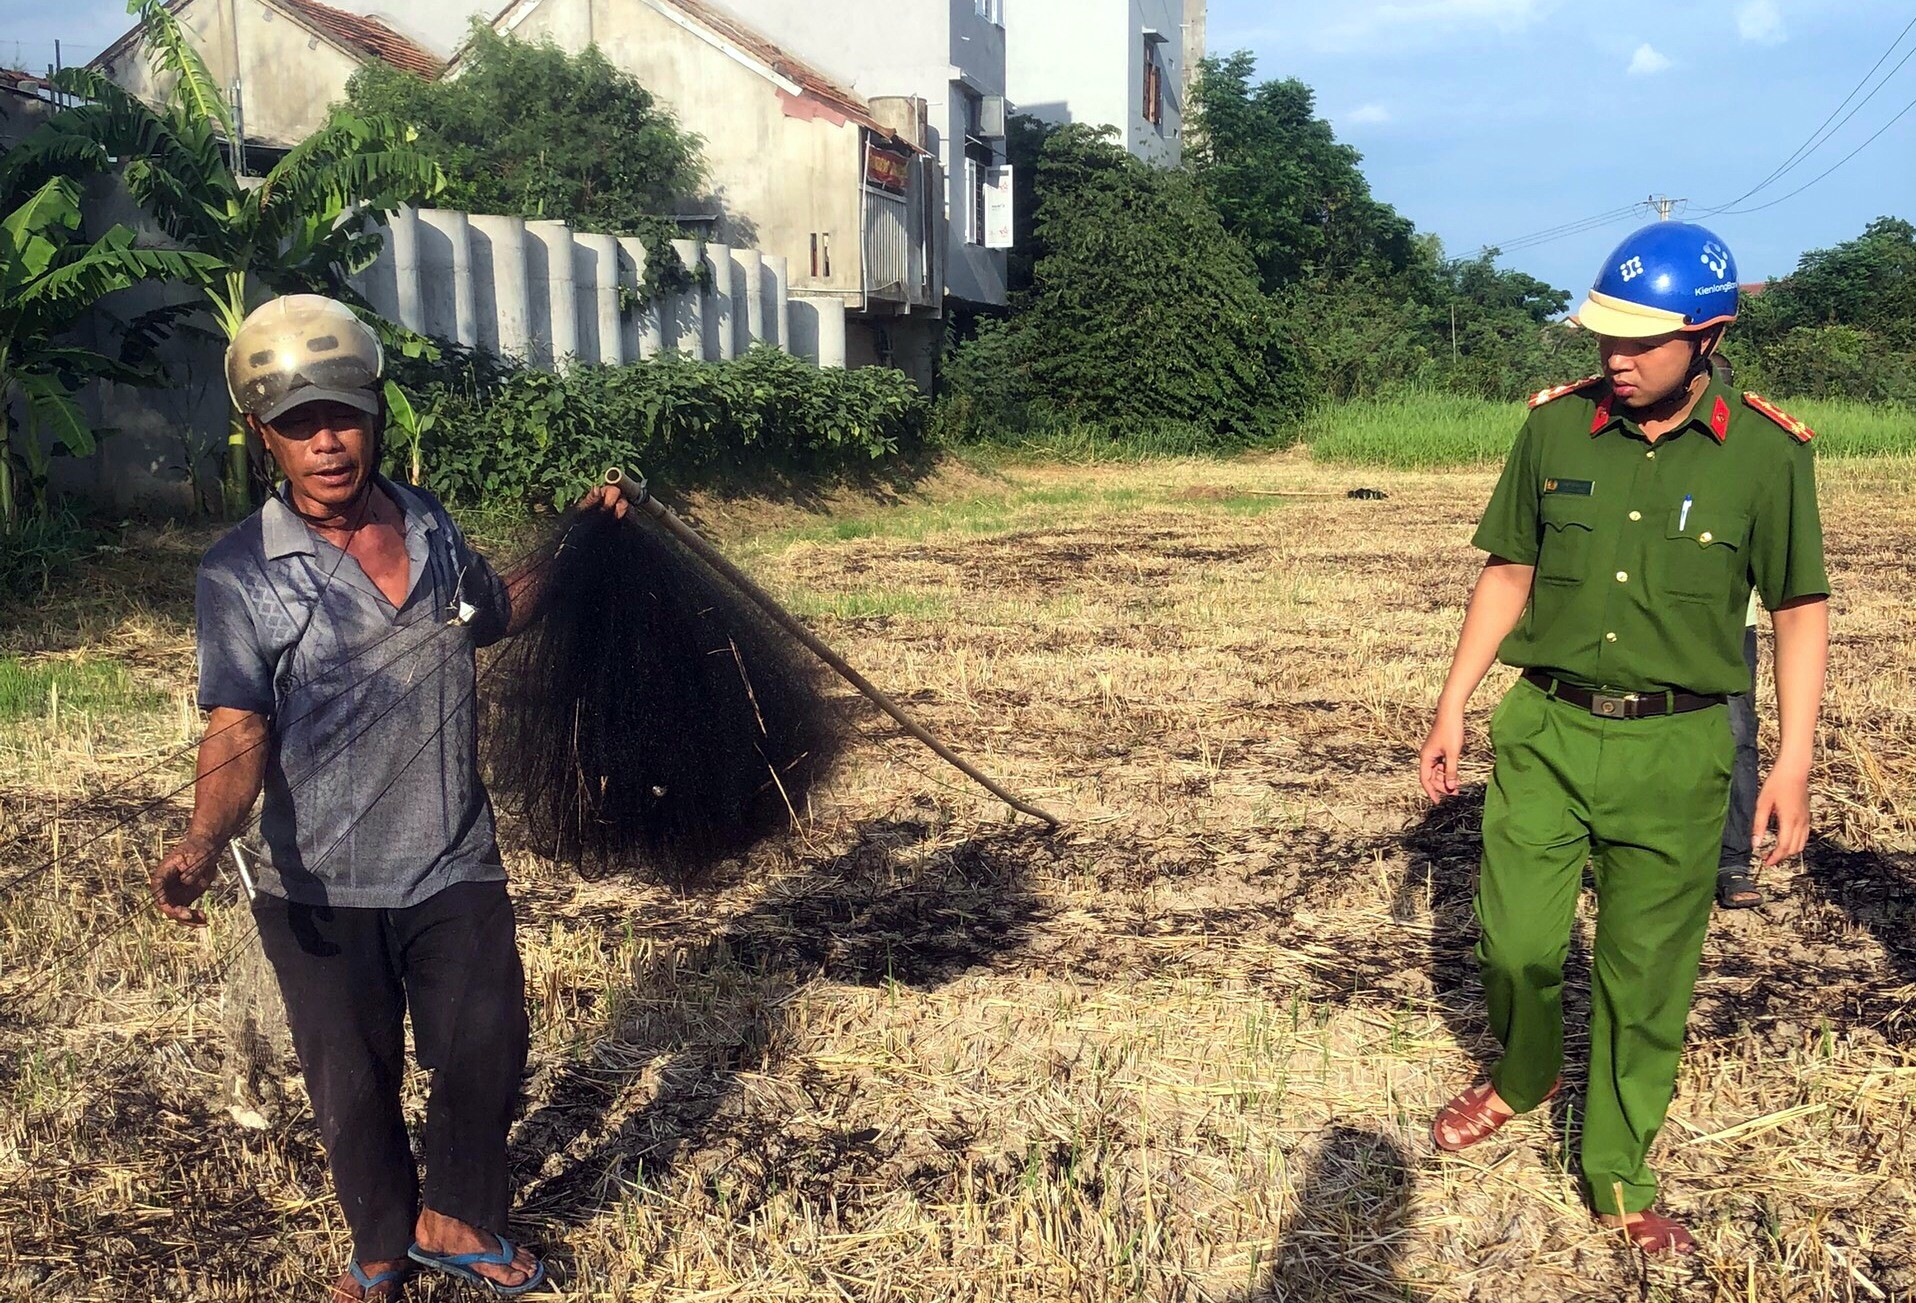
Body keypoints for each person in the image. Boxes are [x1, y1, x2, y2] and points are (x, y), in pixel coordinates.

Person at [149, 295, 626, 1300]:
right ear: (262, 436)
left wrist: (582, 539)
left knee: (486, 1047)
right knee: (350, 1083)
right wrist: (199, 841)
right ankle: (379, 1245)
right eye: (297, 426)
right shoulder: (240, 572)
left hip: (451, 854)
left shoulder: (427, 520)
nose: (325, 444)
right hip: (318, 882)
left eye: (342, 417)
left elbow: (492, 612)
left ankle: (454, 1219)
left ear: (374, 413)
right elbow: (237, 728)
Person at [1416, 222, 1830, 1254]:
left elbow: (1796, 608)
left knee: (1643, 978)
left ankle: (1614, 1168)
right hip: (1548, 728)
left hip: (1678, 750)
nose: (1614, 357)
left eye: (1640, 343)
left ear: (1709, 336)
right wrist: (1452, 699)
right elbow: (1507, 570)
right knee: (1512, 944)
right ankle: (1524, 1069)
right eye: (1603, 336)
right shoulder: (1554, 432)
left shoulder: (1768, 458)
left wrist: (1790, 758)